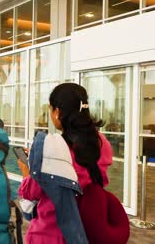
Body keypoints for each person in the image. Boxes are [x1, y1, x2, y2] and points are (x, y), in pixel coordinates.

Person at [17, 83, 113, 243]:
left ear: (57, 112)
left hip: (50, 234)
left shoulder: (52, 147)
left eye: (51, 109)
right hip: (85, 230)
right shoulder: (102, 143)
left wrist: (28, 171)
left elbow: (31, 193)